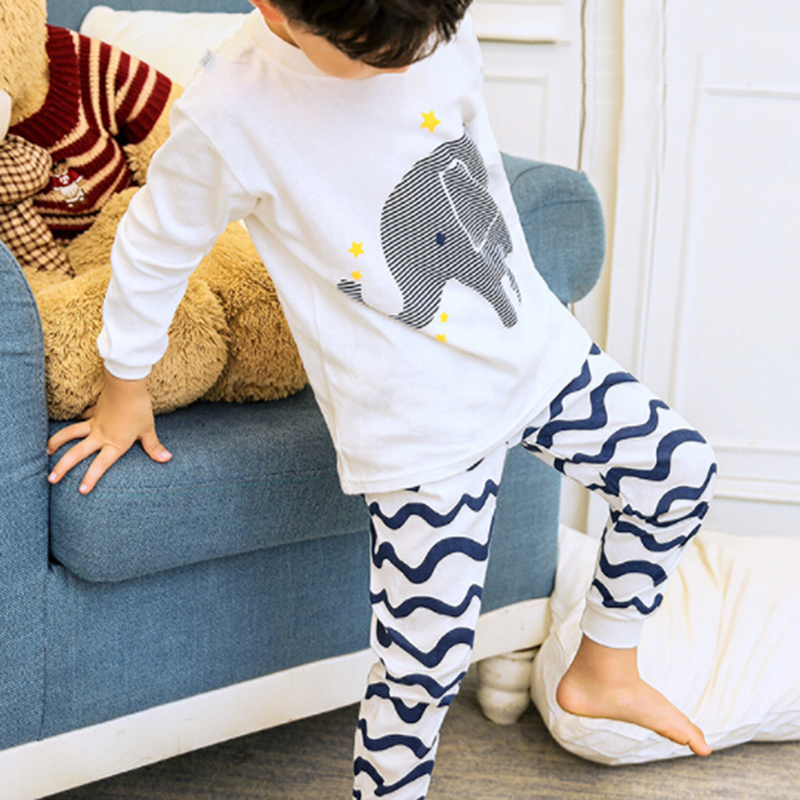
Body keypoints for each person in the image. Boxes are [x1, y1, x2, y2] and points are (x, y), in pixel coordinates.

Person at [45, 1, 718, 797]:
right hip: (419, 427)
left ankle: (605, 667)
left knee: (679, 473)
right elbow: (154, 246)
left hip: (536, 355)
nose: (407, 63)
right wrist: (126, 385)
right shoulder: (231, 112)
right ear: (275, 10)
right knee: (423, 669)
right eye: (374, 54)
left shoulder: (429, 21)